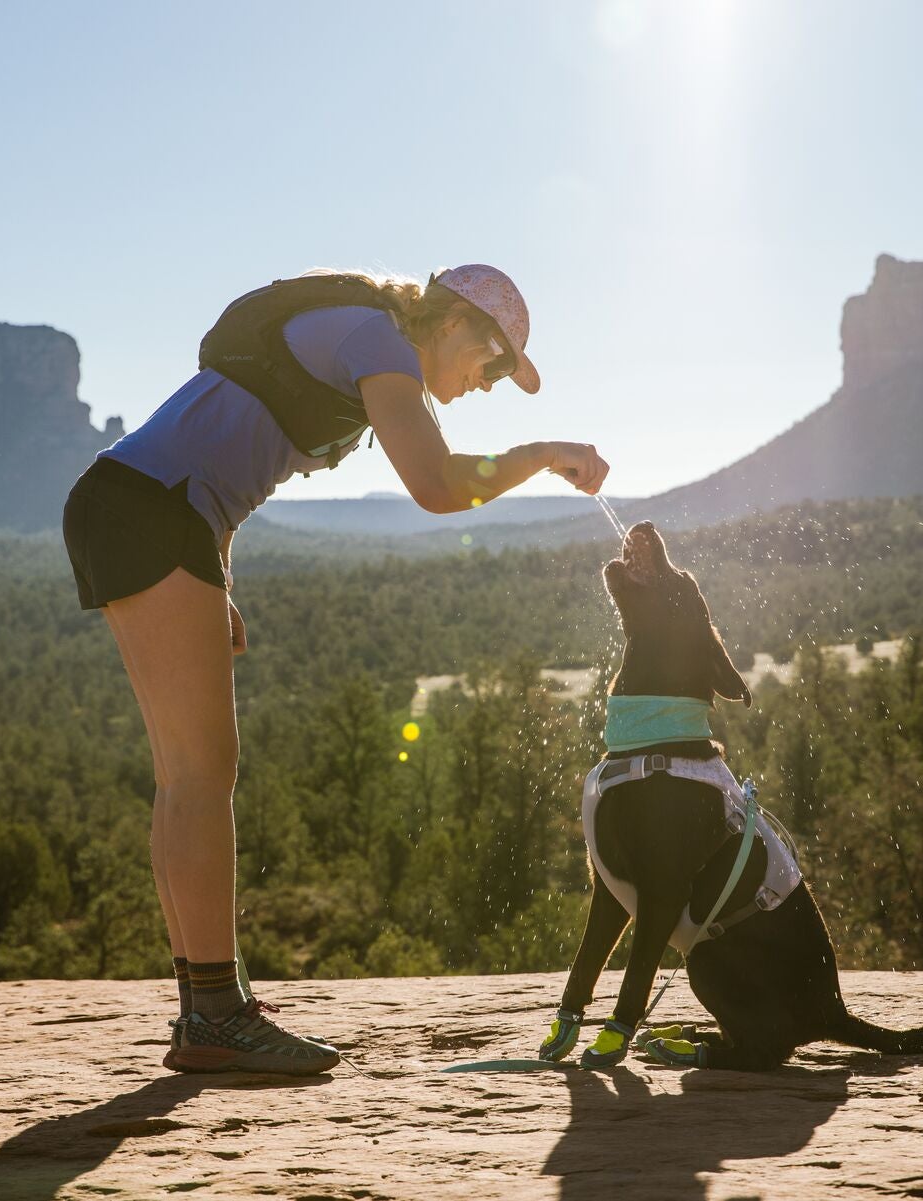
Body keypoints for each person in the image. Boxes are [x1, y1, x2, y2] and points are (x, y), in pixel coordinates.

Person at [62, 264, 609, 1074]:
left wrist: (219, 583)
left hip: (141, 508)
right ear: (458, 324)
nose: (488, 385)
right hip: (150, 512)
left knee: (184, 775)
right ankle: (216, 1011)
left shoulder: (368, 345)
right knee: (204, 773)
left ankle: (204, 1005)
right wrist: (545, 452)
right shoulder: (379, 340)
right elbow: (437, 486)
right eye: (494, 366)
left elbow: (213, 452)